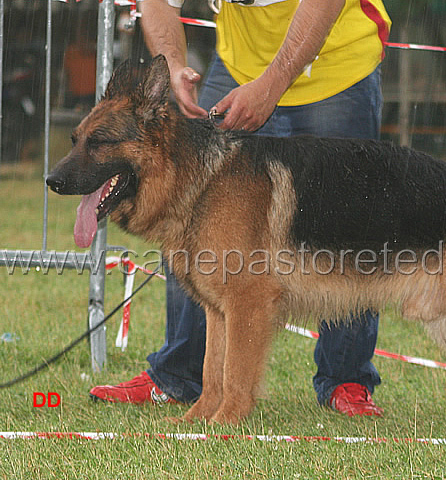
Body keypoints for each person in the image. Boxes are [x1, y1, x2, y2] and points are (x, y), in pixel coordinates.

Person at [89, 0, 391, 417]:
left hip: (335, 71)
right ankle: (178, 377)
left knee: (348, 228)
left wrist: (272, 84)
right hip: (237, 67)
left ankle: (347, 381)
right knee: (186, 218)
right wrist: (173, 65)